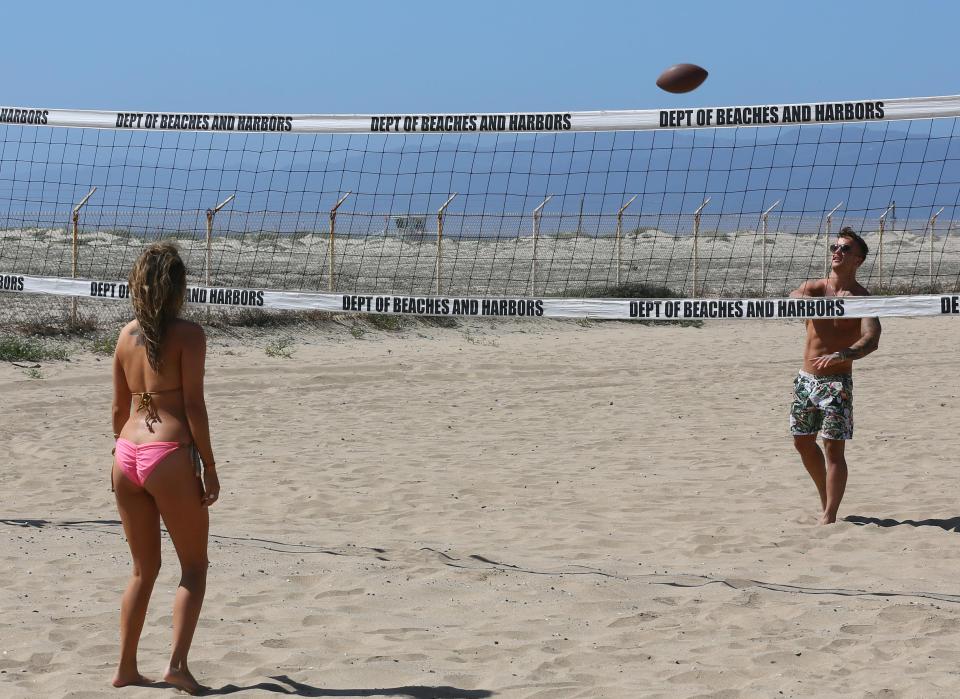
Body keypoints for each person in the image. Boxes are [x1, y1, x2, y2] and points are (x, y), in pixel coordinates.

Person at [110, 242, 219, 694]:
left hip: (126, 455)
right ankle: (176, 665)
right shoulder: (190, 335)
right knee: (193, 567)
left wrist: (121, 460)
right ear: (178, 288)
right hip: (168, 454)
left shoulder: (124, 335)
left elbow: (118, 409)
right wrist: (209, 467)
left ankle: (126, 668)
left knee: (142, 570)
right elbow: (193, 405)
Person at [788, 227, 881, 525]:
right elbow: (795, 295)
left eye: (844, 249)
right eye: (834, 247)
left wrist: (842, 355)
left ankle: (829, 515)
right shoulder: (816, 288)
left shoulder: (863, 298)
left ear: (859, 260)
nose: (837, 252)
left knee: (832, 448)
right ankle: (824, 498)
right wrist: (803, 301)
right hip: (806, 380)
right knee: (802, 442)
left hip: (837, 383)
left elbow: (871, 338)